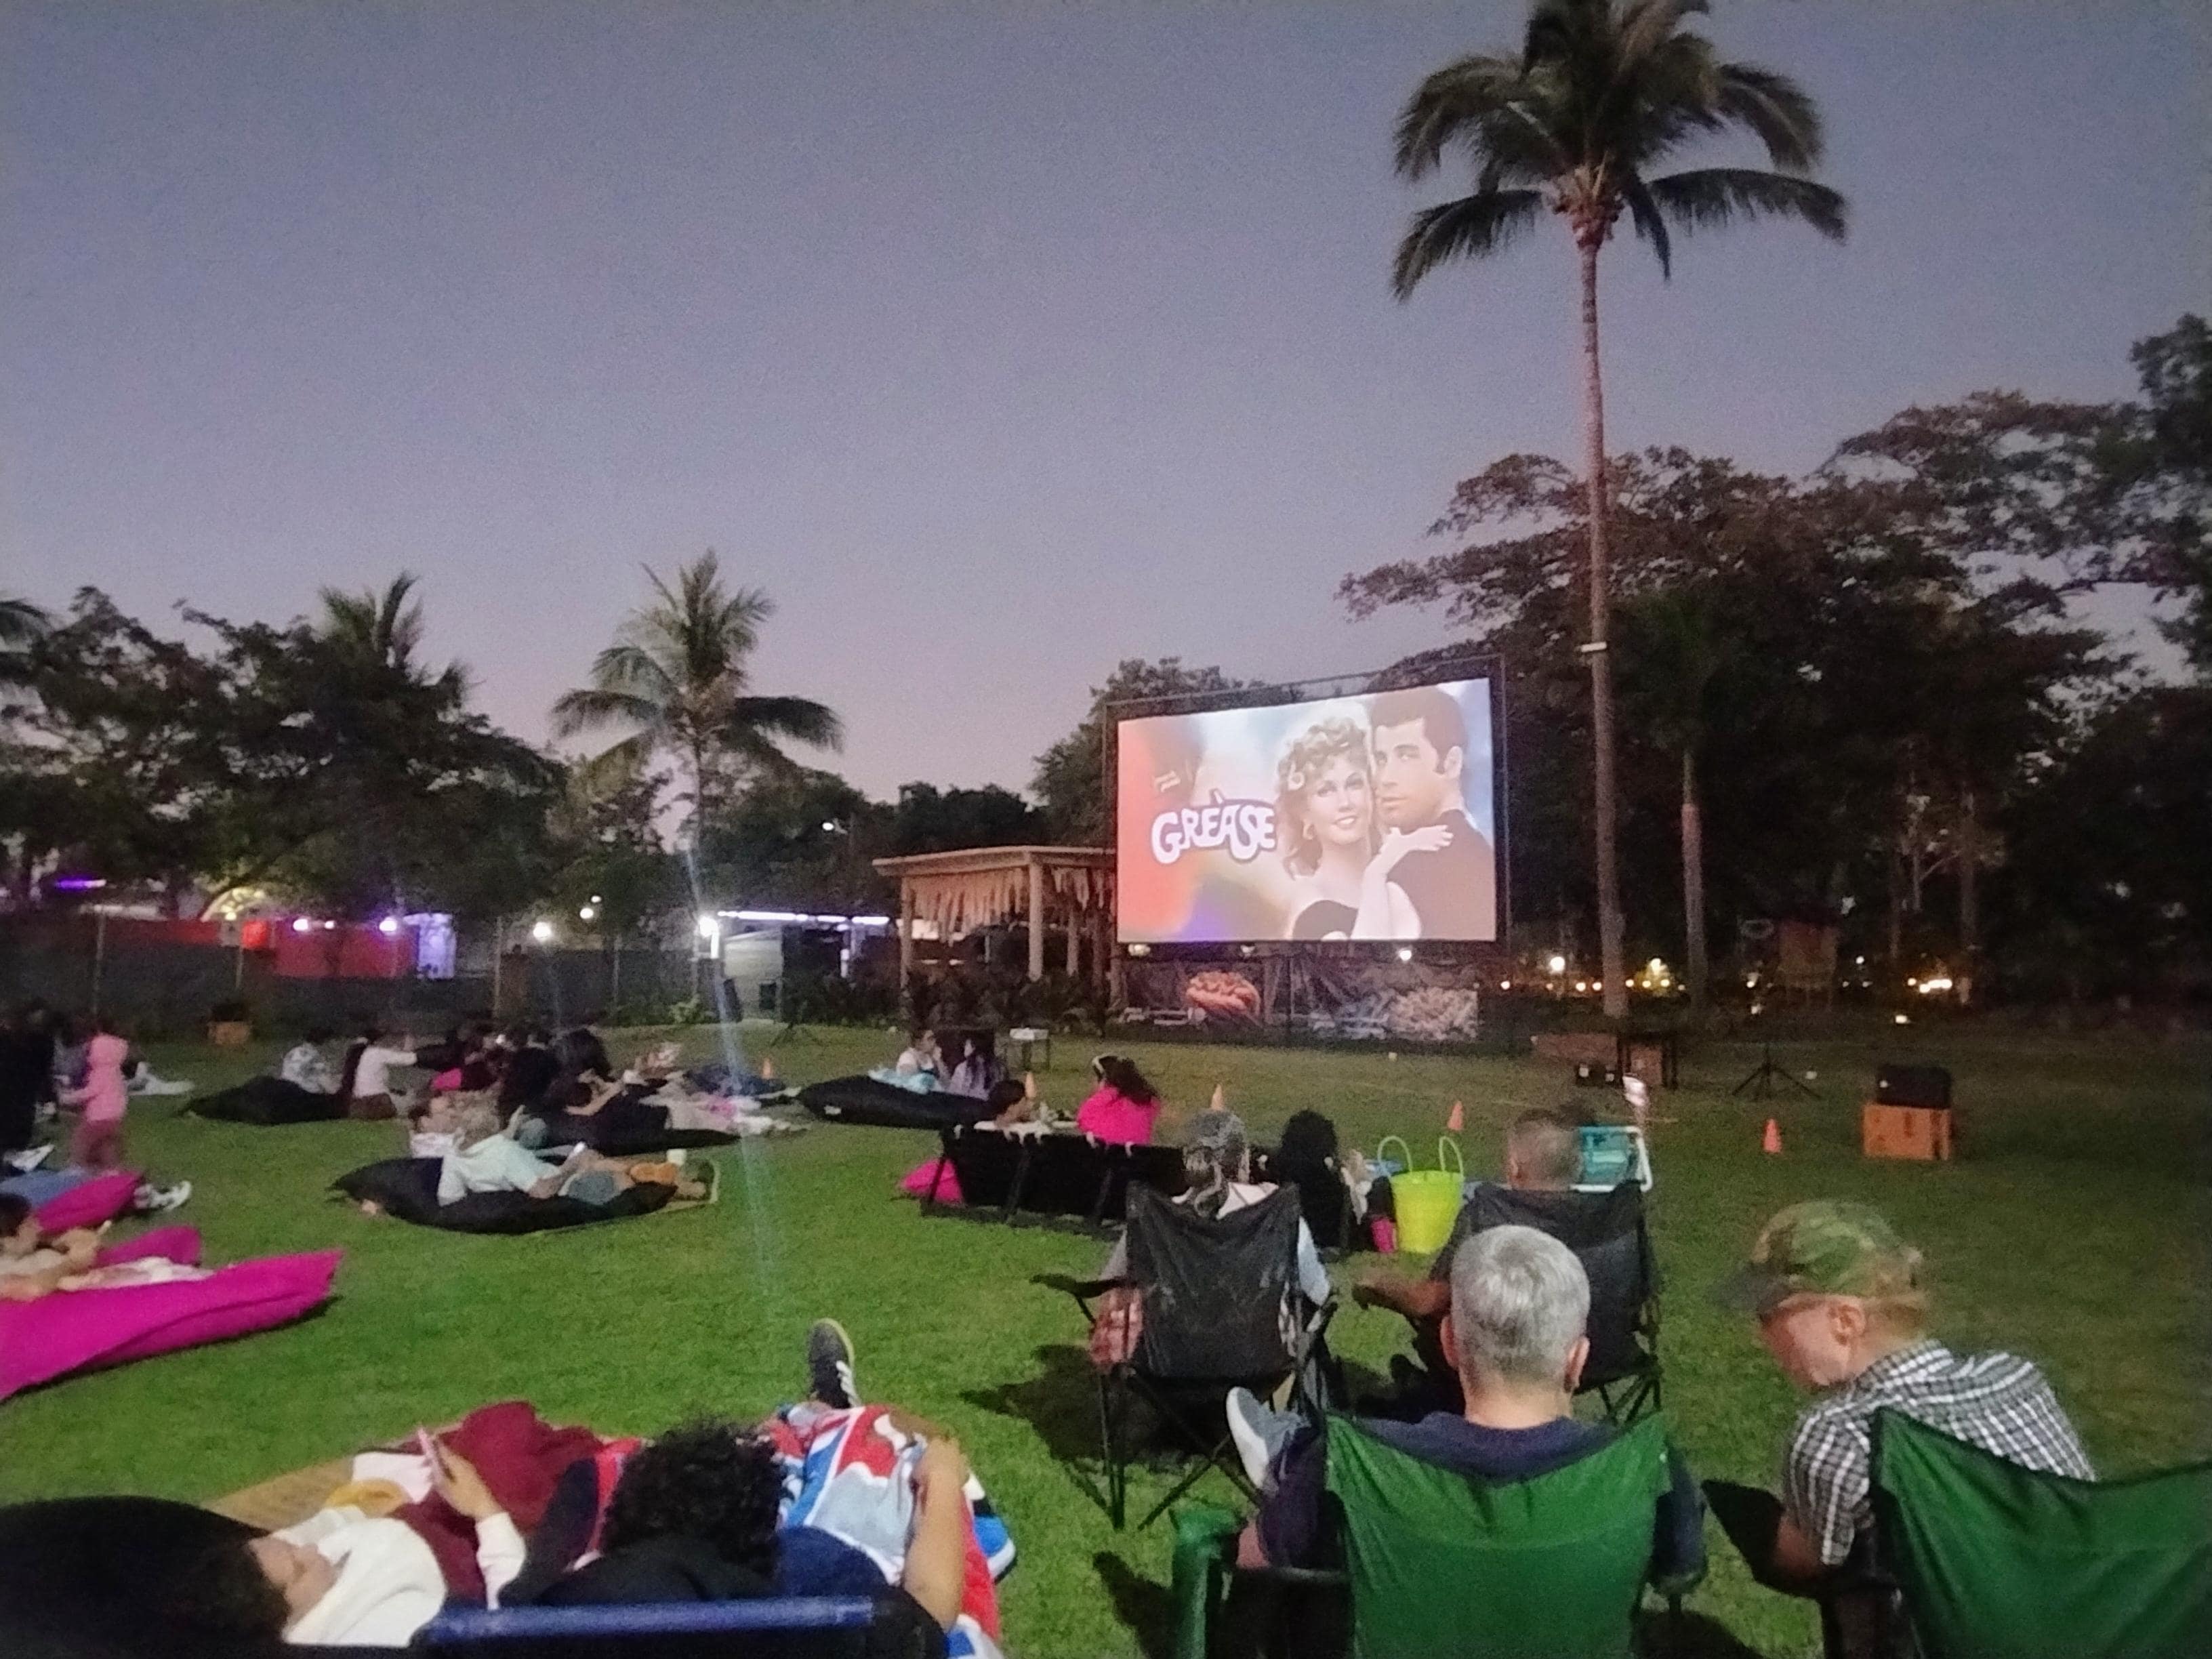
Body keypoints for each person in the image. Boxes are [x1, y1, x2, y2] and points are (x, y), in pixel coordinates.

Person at [1230, 1225, 1704, 1591]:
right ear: (1578, 1360)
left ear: (1450, 1345)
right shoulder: (1651, 1465)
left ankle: (1283, 1451)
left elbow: (1251, 1557)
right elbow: (1678, 1575)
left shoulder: (1354, 1460)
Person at [1709, 1200, 2093, 1628]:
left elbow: (1807, 1565)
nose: (1761, 1335)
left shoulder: (1839, 1433)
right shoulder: (2018, 1378)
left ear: (1845, 1321)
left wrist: (1742, 1514)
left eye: (1769, 1316)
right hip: (2086, 1627)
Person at [169, 1437, 520, 1646]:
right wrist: (485, 1509)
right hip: (481, 1561)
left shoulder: (297, 1580)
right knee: (507, 1446)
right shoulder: (387, 1631)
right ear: (283, 1619)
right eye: (300, 1568)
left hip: (420, 1520)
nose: (310, 1551)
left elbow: (307, 1537)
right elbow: (516, 1624)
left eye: (291, 1547)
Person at [1353, 1106, 1586, 1416]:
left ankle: (1432, 1402)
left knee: (1448, 1322)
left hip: (1495, 1362)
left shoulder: (1488, 1215)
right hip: (1588, 1356)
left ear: (1514, 1167)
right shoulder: (1607, 1218)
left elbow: (1428, 1302)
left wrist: (1377, 1286)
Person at [1100, 1105, 1331, 1309]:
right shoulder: (1276, 1214)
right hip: (1256, 1345)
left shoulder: (1152, 1217)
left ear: (1188, 1161)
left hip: (1167, 1345)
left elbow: (1110, 1291)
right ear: (1243, 1160)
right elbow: (1319, 1294)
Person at [1357, 685, 1496, 941]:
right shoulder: (1481, 853)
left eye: (1406, 756)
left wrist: (1375, 874)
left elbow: (1362, 959)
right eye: (1381, 759)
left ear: (1452, 763)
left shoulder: (1409, 870)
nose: (1385, 778)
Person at [434, 1101, 711, 1207]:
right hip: (567, 1188)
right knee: (614, 1178)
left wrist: (483, 1190)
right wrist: (571, 1167)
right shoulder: (502, 1152)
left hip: (556, 1177)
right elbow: (542, 1192)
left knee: (594, 1160)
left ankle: (665, 1172)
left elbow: (448, 1199)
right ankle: (681, 1186)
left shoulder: (455, 1155)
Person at [1273, 716, 1382, 941]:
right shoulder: (1311, 904)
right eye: (1325, 791)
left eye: (1354, 784)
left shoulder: (1400, 875)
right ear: (1304, 813)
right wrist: (1379, 874)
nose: (1345, 802)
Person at [60, 1015, 131, 1171]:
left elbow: (91, 1091)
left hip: (99, 1116)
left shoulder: (100, 1072)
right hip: (115, 1115)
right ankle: (111, 1170)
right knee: (108, 1145)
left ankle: (77, 1168)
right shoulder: (116, 1072)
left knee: (82, 1141)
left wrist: (68, 1098)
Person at [1073, 1054, 1164, 1145]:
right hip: (1137, 1152)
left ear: (1103, 1079)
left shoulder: (1094, 1104)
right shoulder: (1147, 1102)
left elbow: (1083, 1123)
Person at [339, 1027, 417, 1122]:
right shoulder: (377, 1052)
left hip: (356, 1105)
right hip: (377, 1104)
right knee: (413, 1101)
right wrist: (410, 1043)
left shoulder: (357, 1054)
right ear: (378, 1041)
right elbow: (410, 1059)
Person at [281, 1028, 339, 1095]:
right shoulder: (314, 1058)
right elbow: (328, 1086)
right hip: (304, 1095)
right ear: (324, 1043)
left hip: (285, 1091)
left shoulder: (293, 1052)